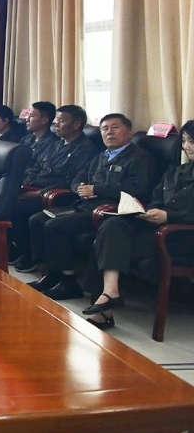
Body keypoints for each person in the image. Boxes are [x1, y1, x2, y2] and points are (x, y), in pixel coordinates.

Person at [27, 114, 156, 301]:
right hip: (85, 206)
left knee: (55, 226)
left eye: (115, 127)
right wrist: (79, 188)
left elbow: (139, 189)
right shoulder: (101, 156)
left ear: (129, 133)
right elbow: (79, 177)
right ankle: (52, 274)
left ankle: (69, 282)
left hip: (108, 213)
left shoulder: (140, 158)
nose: (109, 132)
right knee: (37, 219)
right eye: (104, 129)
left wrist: (97, 189)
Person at [80, 120, 194, 330]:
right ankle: (110, 293)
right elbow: (157, 197)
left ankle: (105, 310)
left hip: (181, 236)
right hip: (158, 229)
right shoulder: (177, 171)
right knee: (112, 226)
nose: (187, 147)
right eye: (185, 141)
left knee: (108, 242)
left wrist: (169, 216)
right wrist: (150, 211)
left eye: (192, 142)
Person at [12, 104, 100, 273]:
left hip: (59, 196)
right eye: (56, 120)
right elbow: (38, 167)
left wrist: (38, 193)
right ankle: (21, 251)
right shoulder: (57, 144)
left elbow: (71, 182)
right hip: (37, 186)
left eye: (61, 121)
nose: (56, 124)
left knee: (19, 209)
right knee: (5, 200)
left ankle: (30, 255)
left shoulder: (85, 149)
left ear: (76, 124)